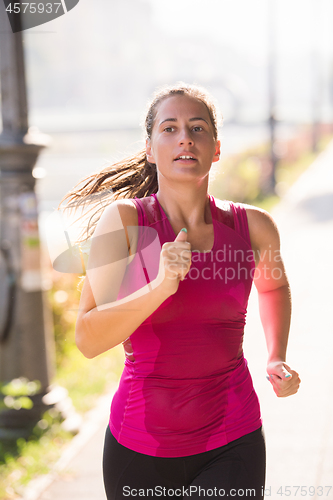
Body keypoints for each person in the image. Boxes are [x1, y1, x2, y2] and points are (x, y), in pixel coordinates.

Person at [61, 83, 301, 499]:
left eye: (197, 127)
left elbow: (274, 285)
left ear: (217, 147)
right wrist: (159, 287)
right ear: (151, 149)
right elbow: (87, 338)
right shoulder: (125, 224)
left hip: (233, 437)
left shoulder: (254, 227)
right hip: (140, 446)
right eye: (169, 128)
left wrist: (276, 354)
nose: (185, 137)